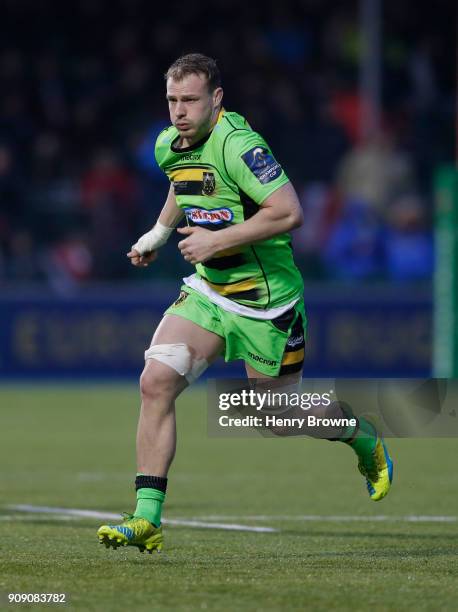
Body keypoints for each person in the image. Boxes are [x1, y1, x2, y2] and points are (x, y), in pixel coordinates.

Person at [97, 54, 393, 555]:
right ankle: (147, 516)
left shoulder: (241, 146)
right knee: (156, 381)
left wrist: (216, 242)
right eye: (172, 100)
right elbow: (181, 178)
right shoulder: (169, 142)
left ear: (217, 99)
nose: (179, 112)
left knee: (273, 416)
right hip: (211, 293)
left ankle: (359, 434)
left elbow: (289, 212)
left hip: (266, 304)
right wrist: (158, 232)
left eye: (190, 100)